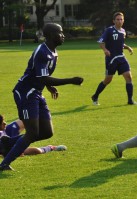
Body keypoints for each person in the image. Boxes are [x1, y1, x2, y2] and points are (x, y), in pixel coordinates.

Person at [0, 23, 84, 171]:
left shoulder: (53, 51)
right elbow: (43, 77)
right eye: (60, 33)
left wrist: (49, 86)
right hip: (25, 93)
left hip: (36, 93)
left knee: (47, 132)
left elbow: (42, 76)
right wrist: (70, 80)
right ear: (51, 35)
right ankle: (4, 163)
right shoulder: (42, 52)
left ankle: (8, 143)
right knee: (32, 133)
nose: (63, 35)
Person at [91, 12, 137, 106]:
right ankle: (95, 96)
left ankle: (130, 100)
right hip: (111, 59)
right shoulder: (109, 30)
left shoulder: (123, 31)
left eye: (121, 19)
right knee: (108, 80)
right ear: (113, 21)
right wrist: (105, 50)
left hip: (121, 57)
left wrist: (128, 47)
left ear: (123, 21)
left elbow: (121, 44)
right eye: (117, 19)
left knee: (128, 76)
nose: (119, 21)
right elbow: (101, 42)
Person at [0, 115, 66, 157]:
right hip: (6, 145)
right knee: (36, 151)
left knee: (26, 120)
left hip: (6, 132)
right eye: (2, 122)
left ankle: (42, 127)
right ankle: (51, 148)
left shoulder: (6, 128)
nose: (5, 123)